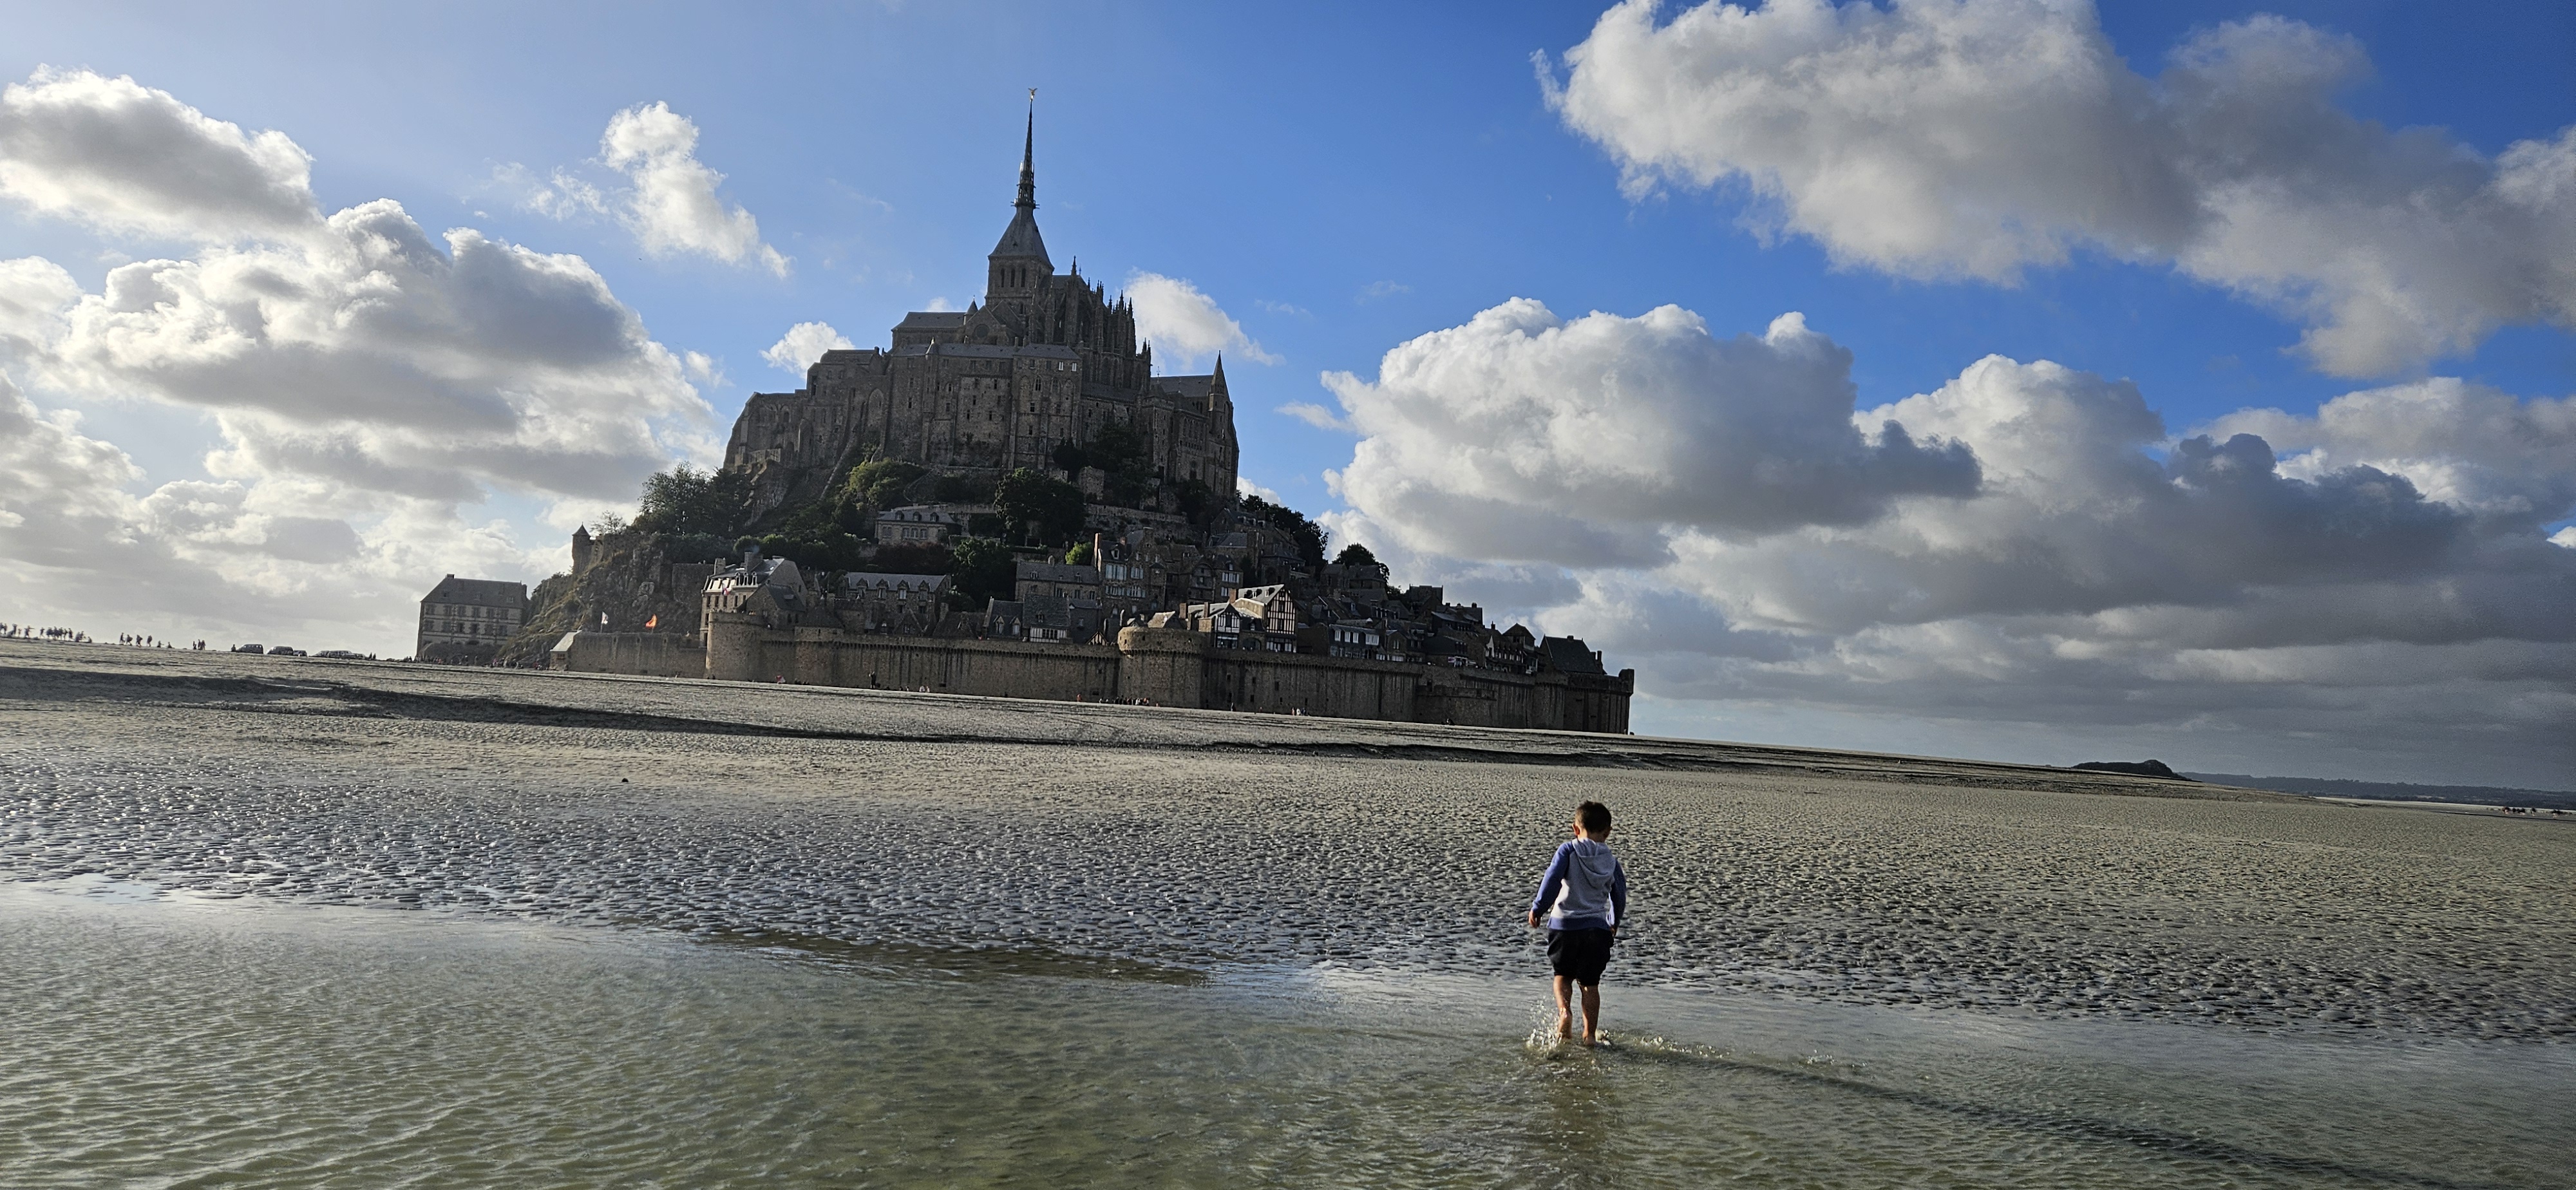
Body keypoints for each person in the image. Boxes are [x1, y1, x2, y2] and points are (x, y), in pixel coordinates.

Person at [1526, 800, 1627, 1044]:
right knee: (1590, 984)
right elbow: (1619, 895)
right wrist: (1613, 921)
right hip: (1597, 929)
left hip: (1564, 926)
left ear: (1575, 828)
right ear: (1607, 832)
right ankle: (1590, 1035)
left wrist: (1539, 907)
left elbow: (1552, 879)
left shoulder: (1568, 851)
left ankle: (1565, 1013)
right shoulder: (1611, 861)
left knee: (1562, 975)